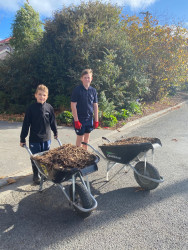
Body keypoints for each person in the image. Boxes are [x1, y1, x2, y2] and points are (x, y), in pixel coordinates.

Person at [20, 84, 58, 185]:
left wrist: (55, 132)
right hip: (34, 139)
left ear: (47, 97)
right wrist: (22, 138)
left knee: (45, 157)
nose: (42, 97)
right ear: (36, 95)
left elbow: (53, 122)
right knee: (35, 158)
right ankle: (36, 174)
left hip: (46, 138)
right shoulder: (31, 108)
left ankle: (44, 173)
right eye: (40, 94)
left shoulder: (49, 108)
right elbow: (26, 124)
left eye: (44, 95)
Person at [71, 69, 99, 150]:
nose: (87, 79)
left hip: (89, 119)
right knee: (80, 139)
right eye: (85, 77)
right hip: (80, 119)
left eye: (88, 77)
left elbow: (95, 105)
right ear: (81, 78)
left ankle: (85, 156)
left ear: (91, 78)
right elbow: (73, 105)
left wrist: (96, 120)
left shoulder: (93, 91)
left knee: (86, 139)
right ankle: (78, 156)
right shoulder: (77, 90)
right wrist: (76, 120)